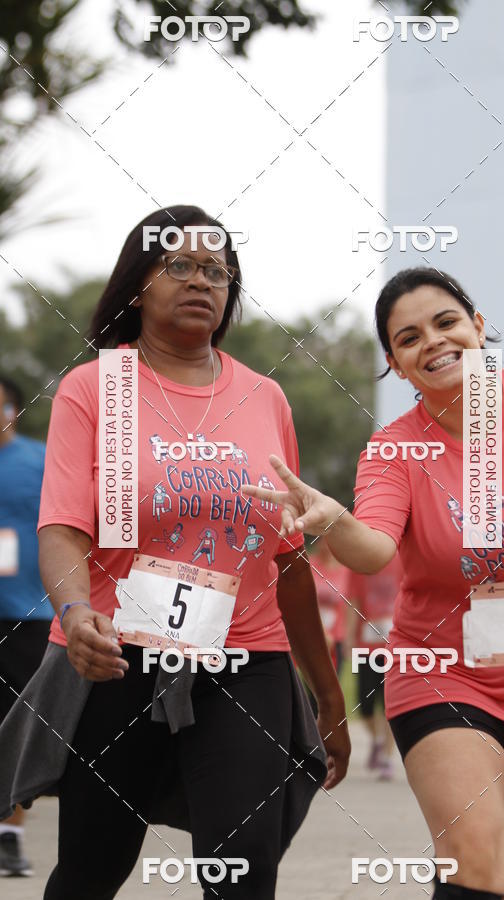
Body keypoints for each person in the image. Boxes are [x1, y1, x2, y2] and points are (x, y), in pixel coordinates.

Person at [0, 205, 349, 900]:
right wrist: (75, 612)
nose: (201, 281)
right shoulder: (96, 388)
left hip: (245, 659)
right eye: (179, 265)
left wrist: (330, 698)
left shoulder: (264, 398)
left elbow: (287, 560)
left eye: (217, 271)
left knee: (243, 865)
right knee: (93, 867)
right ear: (137, 286)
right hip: (117, 657)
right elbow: (63, 527)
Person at [243, 267, 504, 900]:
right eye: (408, 338)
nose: (432, 341)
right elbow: (375, 549)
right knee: (475, 865)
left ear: (478, 327)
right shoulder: (395, 450)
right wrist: (335, 520)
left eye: (445, 322)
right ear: (395, 364)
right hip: (447, 677)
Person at [0, 376, 50, 877]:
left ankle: (9, 835)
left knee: (19, 727)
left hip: (29, 615)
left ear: (13, 410)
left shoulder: (41, 461)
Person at [348, 556, 402, 781]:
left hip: (395, 645)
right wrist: (349, 639)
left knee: (391, 703)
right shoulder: (360, 561)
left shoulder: (402, 560)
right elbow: (354, 603)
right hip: (366, 645)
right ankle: (377, 740)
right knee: (365, 704)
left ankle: (387, 758)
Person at [310, 537, 349, 673]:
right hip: (312, 634)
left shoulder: (346, 570)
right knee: (311, 680)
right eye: (322, 541)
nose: (325, 545)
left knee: (334, 678)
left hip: (337, 636)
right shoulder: (309, 565)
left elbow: (348, 605)